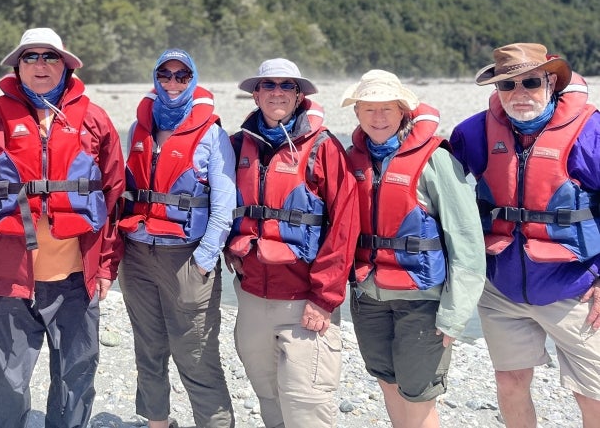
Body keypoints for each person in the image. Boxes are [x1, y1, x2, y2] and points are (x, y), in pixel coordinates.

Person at [0, 27, 124, 428]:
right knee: (7, 384)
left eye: (50, 56)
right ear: (18, 66)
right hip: (6, 279)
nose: (41, 65)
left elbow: (115, 200)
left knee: (75, 380)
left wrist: (106, 266)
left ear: (65, 64)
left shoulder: (95, 121)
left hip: (75, 280)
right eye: (30, 57)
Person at [450, 43, 600, 428]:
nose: (519, 94)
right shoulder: (473, 133)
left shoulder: (591, 132)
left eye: (530, 82)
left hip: (575, 287)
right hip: (501, 288)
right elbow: (436, 190)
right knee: (510, 381)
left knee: (593, 395)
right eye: (507, 86)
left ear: (551, 82)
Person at [343, 70, 486, 428]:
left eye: (387, 109)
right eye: (369, 109)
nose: (378, 119)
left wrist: (456, 314)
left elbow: (466, 240)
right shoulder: (351, 159)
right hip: (368, 296)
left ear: (404, 111)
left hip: (422, 299)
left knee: (419, 395)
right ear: (357, 113)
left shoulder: (435, 159)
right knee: (387, 382)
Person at [224, 58, 358, 428]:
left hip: (305, 301)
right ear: (256, 94)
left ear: (300, 95)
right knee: (268, 397)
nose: (277, 92)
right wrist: (226, 253)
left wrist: (324, 297)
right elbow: (220, 209)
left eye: (287, 86)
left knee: (307, 405)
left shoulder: (324, 147)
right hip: (251, 297)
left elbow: (345, 227)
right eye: (269, 85)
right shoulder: (238, 146)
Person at [118, 48, 236, 428]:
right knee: (149, 347)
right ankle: (157, 422)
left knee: (196, 353)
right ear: (155, 78)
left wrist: (205, 258)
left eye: (181, 76)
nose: (172, 83)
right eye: (165, 75)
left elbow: (223, 205)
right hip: (136, 256)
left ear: (193, 80)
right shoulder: (140, 129)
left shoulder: (212, 134)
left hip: (187, 257)